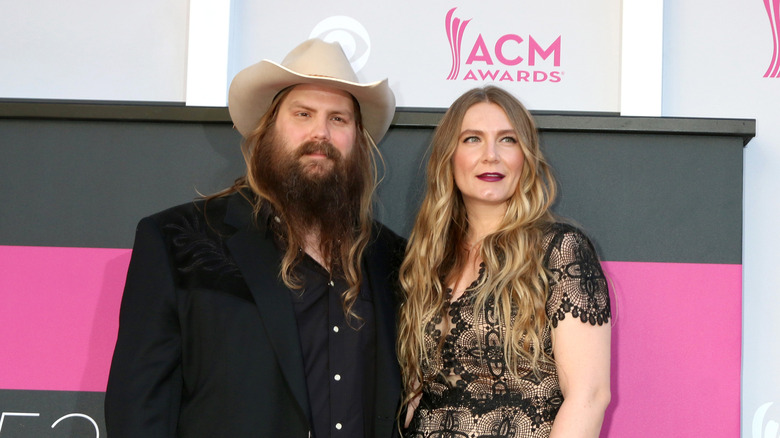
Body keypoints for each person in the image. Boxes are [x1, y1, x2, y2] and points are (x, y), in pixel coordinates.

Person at [105, 39, 406, 438]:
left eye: (338, 119)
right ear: (268, 128)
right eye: (303, 114)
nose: (321, 132)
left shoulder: (391, 257)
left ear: (356, 140)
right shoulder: (178, 241)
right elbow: (138, 409)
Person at [397, 86, 611, 437]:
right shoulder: (428, 259)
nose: (491, 155)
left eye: (507, 140)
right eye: (472, 139)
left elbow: (590, 395)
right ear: (448, 156)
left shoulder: (559, 251)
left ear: (525, 156)